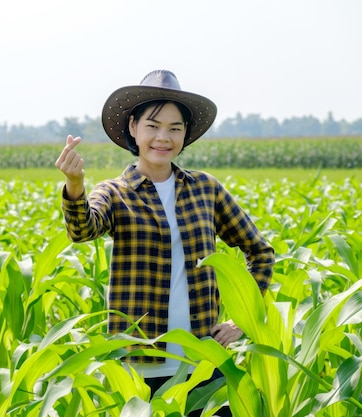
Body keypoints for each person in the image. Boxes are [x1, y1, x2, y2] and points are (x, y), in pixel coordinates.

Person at [55, 70, 275, 416]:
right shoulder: (115, 193)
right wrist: (75, 184)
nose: (163, 137)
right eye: (153, 126)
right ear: (133, 128)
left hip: (204, 361)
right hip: (141, 369)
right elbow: (83, 229)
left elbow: (260, 252)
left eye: (175, 128)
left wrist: (240, 322)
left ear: (185, 135)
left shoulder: (206, 189)